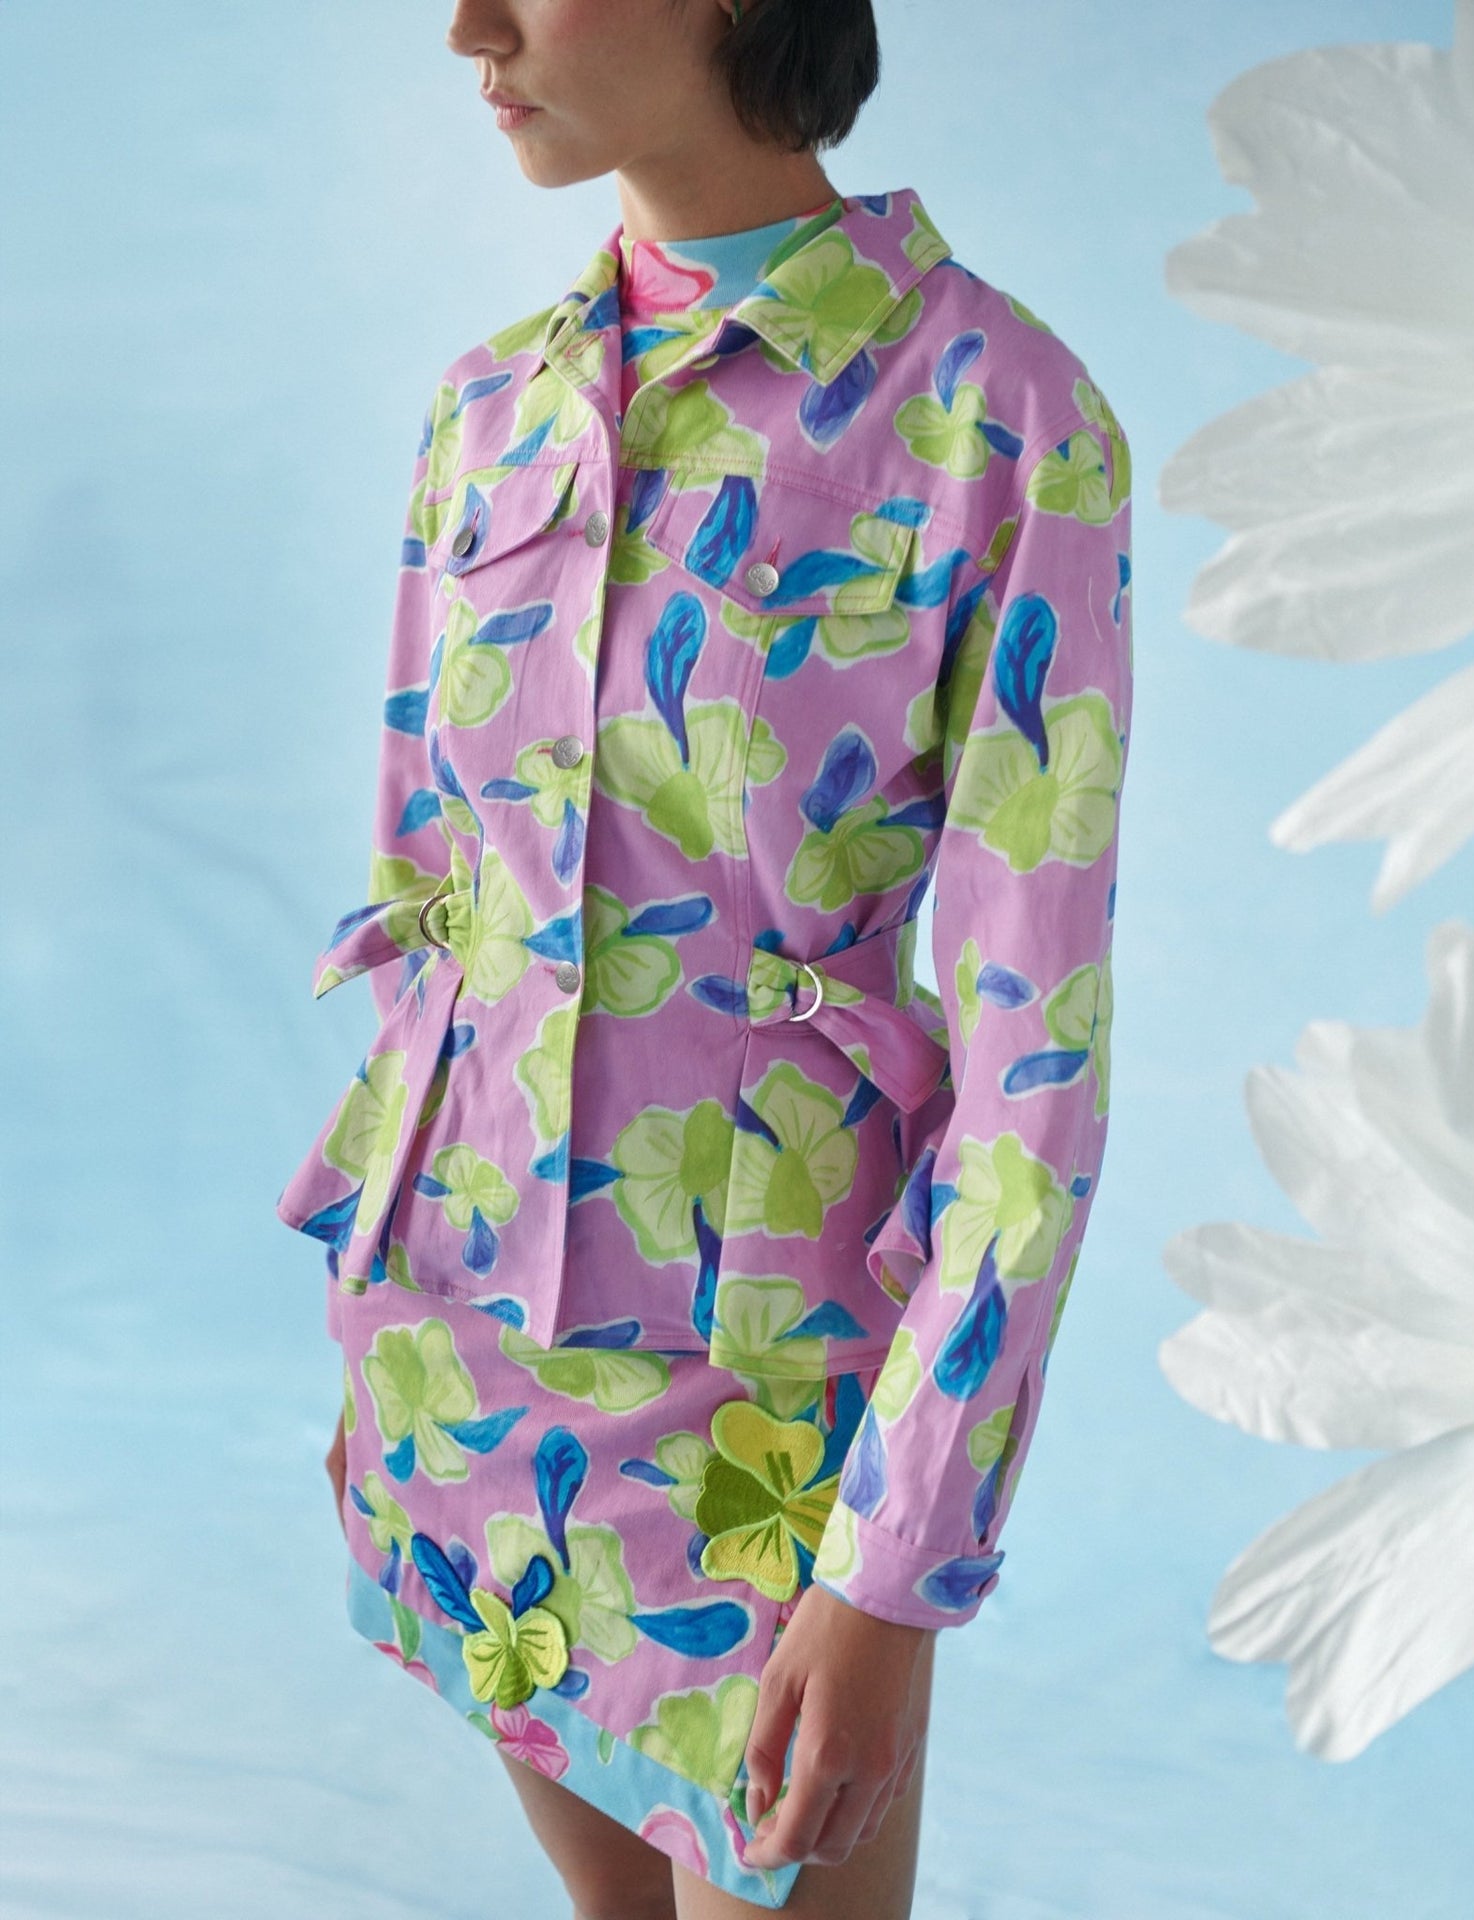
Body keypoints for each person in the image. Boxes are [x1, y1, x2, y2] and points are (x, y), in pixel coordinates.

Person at [286, 0, 1133, 1913]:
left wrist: (898, 1562)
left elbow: (1039, 1054)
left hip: (773, 1406)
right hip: (461, 1357)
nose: (469, 25)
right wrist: (372, 1291)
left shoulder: (998, 413)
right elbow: (428, 900)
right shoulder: (489, 405)